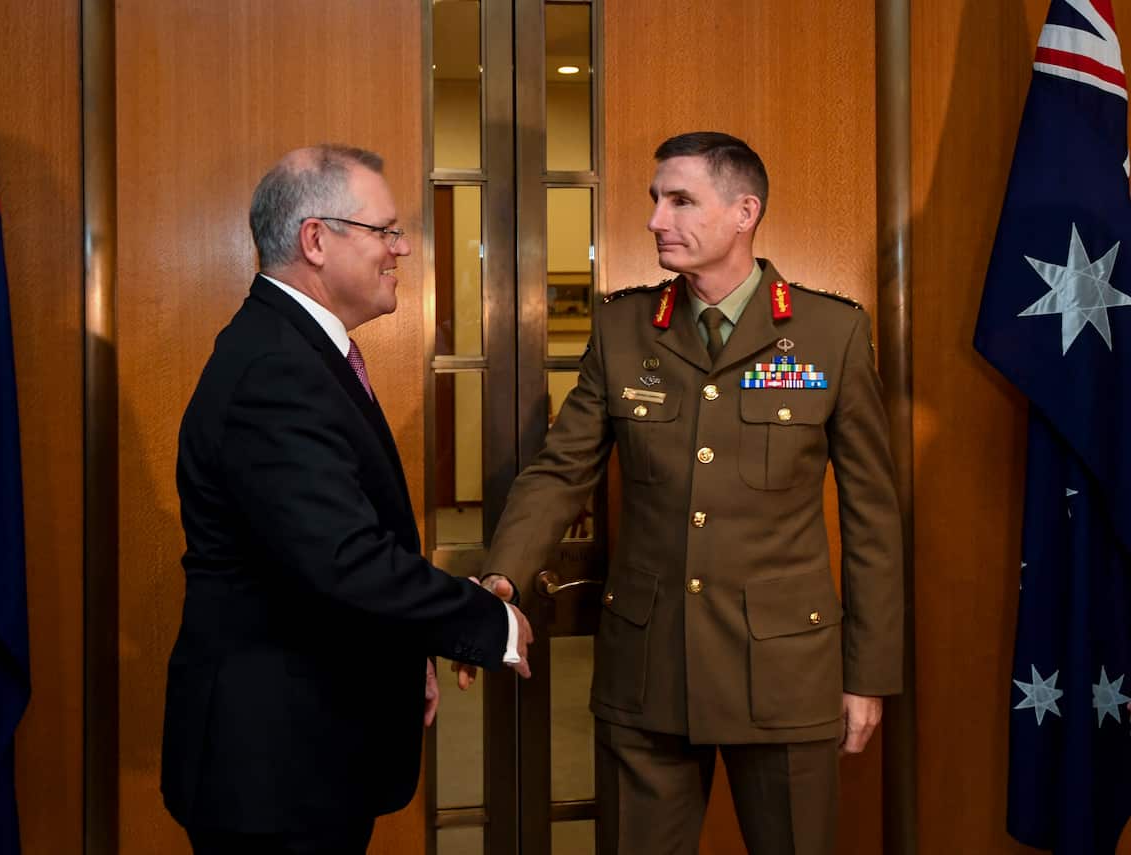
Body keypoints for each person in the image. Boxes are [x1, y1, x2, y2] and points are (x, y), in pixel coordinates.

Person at [464, 131, 903, 855]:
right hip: (650, 671)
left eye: (680, 200)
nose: (656, 219)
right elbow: (561, 468)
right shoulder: (623, 327)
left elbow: (873, 521)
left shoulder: (832, 334)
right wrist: (502, 575)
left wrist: (869, 675)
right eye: (654, 200)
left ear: (743, 212)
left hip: (786, 675)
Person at [161, 144, 533, 855]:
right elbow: (344, 558)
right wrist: (490, 622)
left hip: (307, 749)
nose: (403, 248)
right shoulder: (277, 366)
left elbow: (321, 550)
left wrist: (406, 651)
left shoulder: (296, 349)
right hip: (273, 769)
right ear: (316, 239)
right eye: (385, 231)